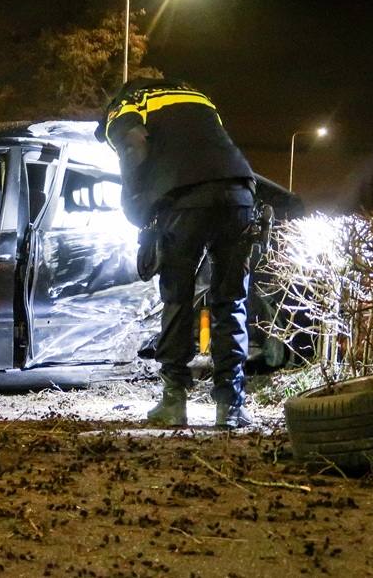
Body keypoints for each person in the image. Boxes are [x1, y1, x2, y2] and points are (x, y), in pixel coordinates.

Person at [96, 79, 256, 429]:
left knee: (177, 297)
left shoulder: (126, 106)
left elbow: (133, 144)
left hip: (185, 199)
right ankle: (230, 406)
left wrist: (137, 207)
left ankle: (174, 401)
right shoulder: (196, 96)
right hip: (239, 194)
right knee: (231, 301)